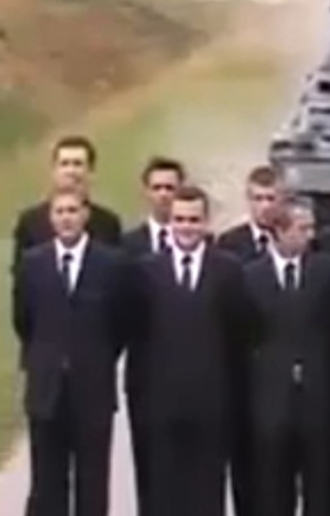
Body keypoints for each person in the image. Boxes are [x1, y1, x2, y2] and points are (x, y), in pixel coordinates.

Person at [13, 186, 131, 516]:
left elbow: (121, 323)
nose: (66, 218)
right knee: (48, 478)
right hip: (47, 388)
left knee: (92, 479)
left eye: (72, 211)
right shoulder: (33, 264)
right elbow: (23, 320)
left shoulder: (110, 264)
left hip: (91, 387)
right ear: (51, 218)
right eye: (60, 212)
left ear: (85, 216)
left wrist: (97, 358)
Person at [130, 185, 246, 516]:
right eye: (180, 219)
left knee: (207, 490)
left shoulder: (228, 270)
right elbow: (136, 335)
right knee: (164, 489)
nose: (186, 227)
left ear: (206, 222)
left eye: (194, 220)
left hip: (212, 402)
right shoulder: (146, 271)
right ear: (170, 223)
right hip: (161, 402)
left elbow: (240, 333)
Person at [237, 197, 330, 516]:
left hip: (317, 400)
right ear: (279, 232)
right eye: (302, 228)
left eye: (312, 227)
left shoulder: (328, 272)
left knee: (321, 489)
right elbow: (242, 335)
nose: (310, 235)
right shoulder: (249, 277)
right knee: (272, 489)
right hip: (270, 401)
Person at [214, 164, 284, 516]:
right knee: (244, 466)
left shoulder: (298, 241)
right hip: (242, 372)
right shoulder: (229, 246)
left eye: (271, 198)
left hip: (282, 372)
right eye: (258, 199)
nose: (265, 206)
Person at [119, 155, 187, 516]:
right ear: (146, 192)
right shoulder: (127, 247)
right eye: (157, 188)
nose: (163, 195)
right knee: (150, 467)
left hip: (191, 379)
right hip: (145, 376)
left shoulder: (203, 245)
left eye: (170, 188)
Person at [12, 135, 123, 269]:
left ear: (91, 171)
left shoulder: (108, 223)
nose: (71, 171)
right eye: (64, 164)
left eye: (78, 164)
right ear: (54, 170)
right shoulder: (30, 222)